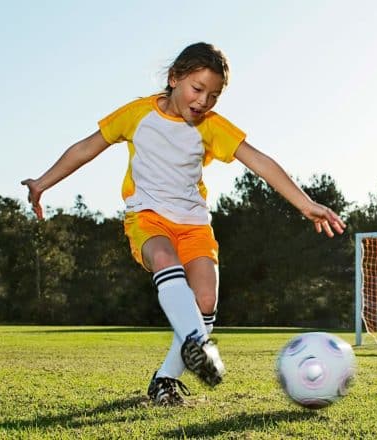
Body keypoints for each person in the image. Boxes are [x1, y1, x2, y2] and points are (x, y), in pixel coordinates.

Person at [20, 42, 346, 406]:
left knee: (206, 300)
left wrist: (305, 204)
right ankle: (198, 344)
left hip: (194, 225)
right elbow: (86, 147)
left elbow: (259, 162)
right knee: (163, 260)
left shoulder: (210, 127)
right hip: (147, 217)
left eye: (214, 96)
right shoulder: (137, 114)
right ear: (174, 78)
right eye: (197, 89)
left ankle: (165, 380)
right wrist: (42, 183)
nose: (204, 101)